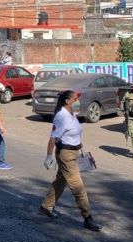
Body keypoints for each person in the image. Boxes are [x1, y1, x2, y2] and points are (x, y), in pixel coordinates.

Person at [39, 90, 102, 232]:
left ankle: (46, 206)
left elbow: (75, 135)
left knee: (61, 181)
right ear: (67, 101)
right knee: (78, 187)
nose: (77, 101)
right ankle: (87, 218)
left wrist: (82, 151)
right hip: (65, 154)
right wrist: (49, 156)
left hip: (74, 152)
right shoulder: (62, 117)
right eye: (75, 99)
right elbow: (53, 138)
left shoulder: (72, 114)